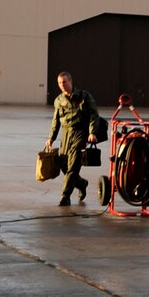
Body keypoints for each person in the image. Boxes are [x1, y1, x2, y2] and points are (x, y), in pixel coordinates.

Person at [44, 71, 101, 206]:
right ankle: (81, 184)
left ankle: (65, 196)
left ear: (71, 81)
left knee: (73, 165)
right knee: (63, 164)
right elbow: (56, 121)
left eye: (64, 82)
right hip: (66, 134)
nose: (62, 85)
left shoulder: (84, 96)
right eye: (59, 83)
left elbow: (94, 114)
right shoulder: (58, 100)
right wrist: (51, 138)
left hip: (80, 133)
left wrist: (92, 132)